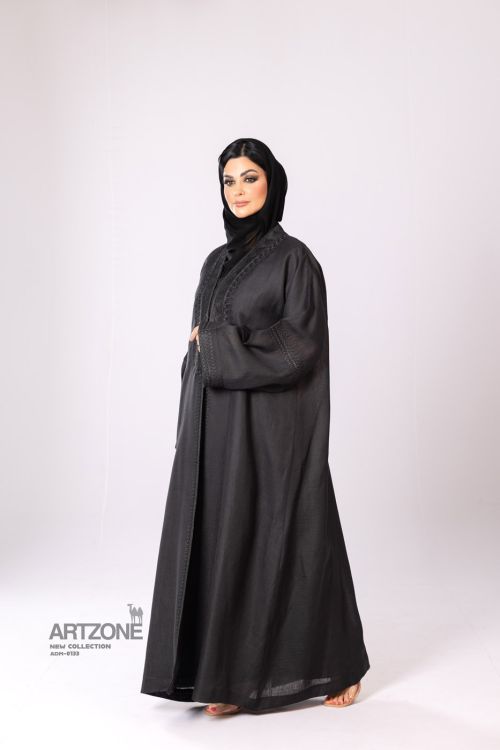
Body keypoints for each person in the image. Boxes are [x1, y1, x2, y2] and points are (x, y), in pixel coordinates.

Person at [140, 137, 370, 716]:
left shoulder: (294, 260)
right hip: (213, 427)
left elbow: (300, 345)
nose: (238, 191)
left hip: (268, 430)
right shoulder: (214, 263)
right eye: (229, 180)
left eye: (250, 178)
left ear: (272, 183)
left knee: (293, 533)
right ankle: (221, 676)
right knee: (221, 539)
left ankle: (339, 662)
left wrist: (218, 344)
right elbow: (199, 346)